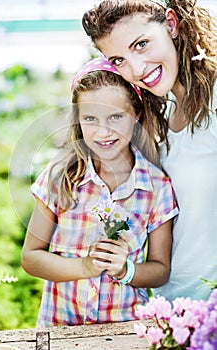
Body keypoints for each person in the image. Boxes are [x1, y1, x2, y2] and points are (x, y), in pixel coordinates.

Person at [21, 56, 178, 327]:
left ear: (136, 113)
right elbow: (31, 258)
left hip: (125, 331)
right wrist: (83, 267)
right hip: (61, 329)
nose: (103, 131)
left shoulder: (157, 187)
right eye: (91, 118)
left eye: (116, 116)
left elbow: (160, 270)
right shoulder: (60, 178)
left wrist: (125, 269)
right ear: (78, 119)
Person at [82, 0, 217, 301]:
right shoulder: (164, 115)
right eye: (118, 60)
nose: (136, 69)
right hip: (170, 309)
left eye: (141, 44)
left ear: (171, 24)